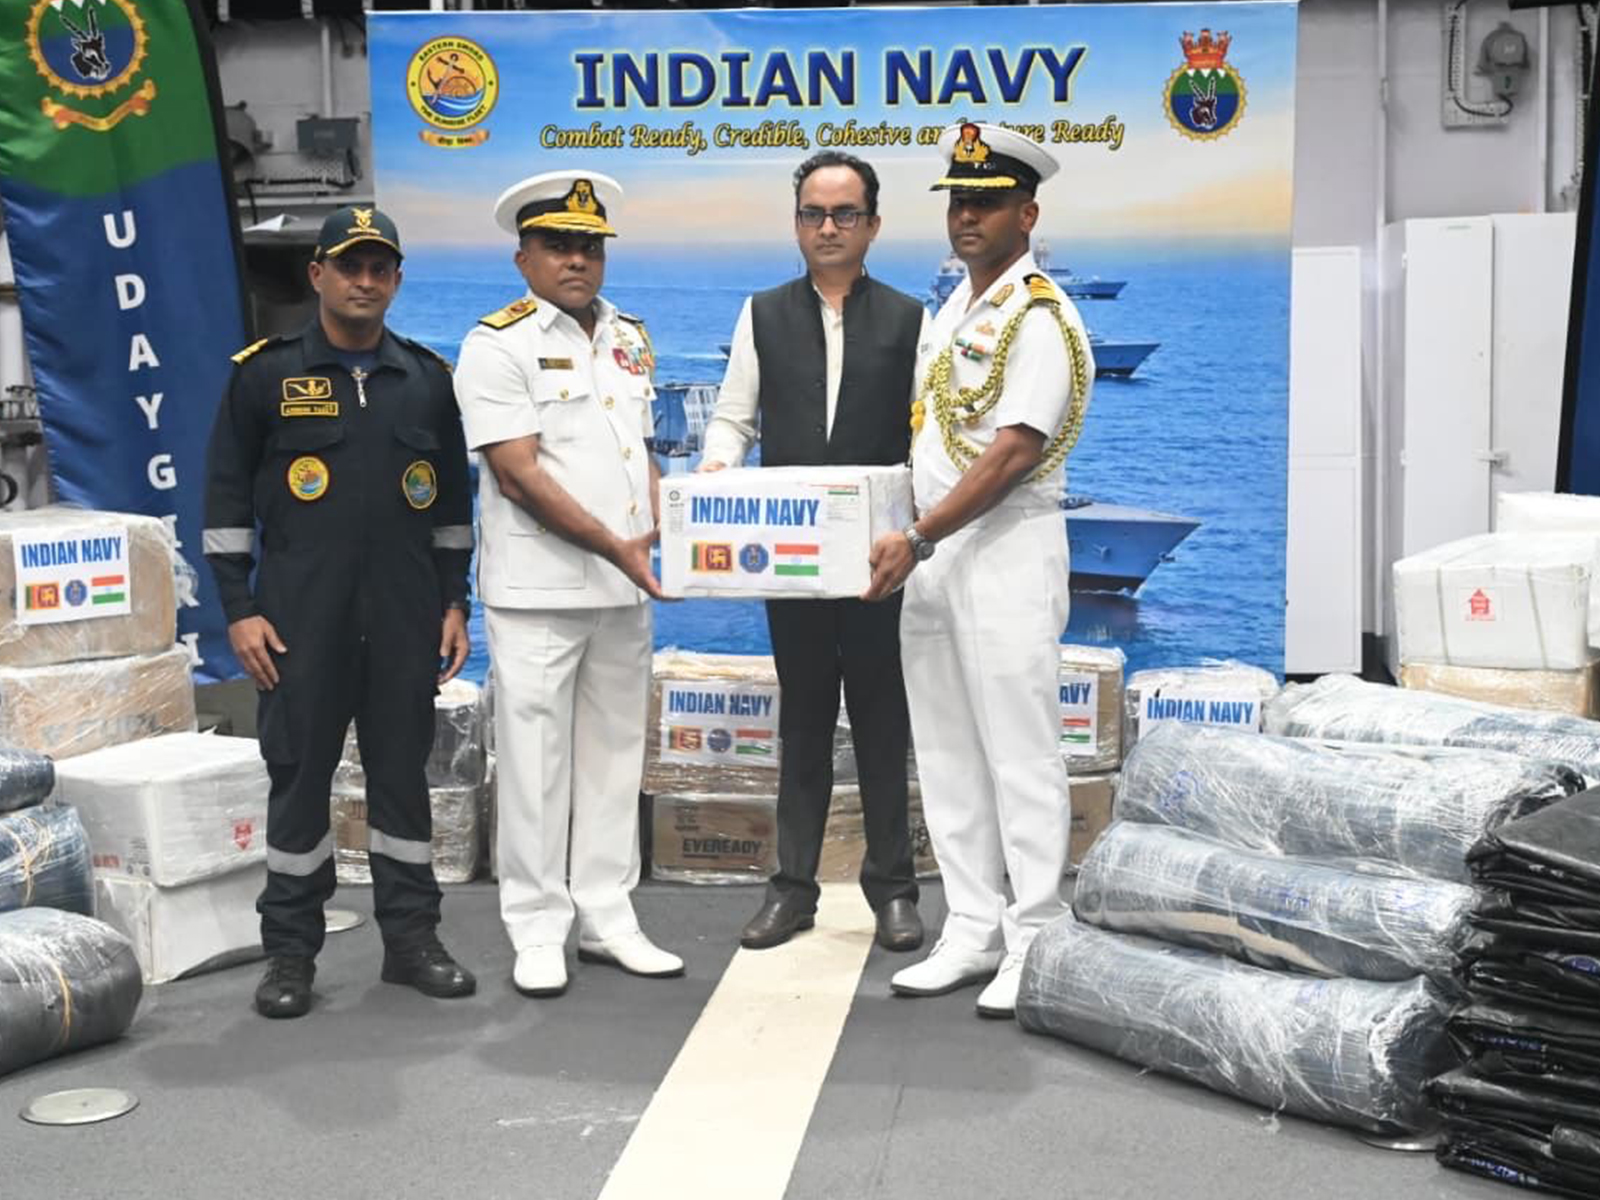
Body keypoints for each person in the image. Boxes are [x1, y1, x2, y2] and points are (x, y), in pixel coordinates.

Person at [203, 204, 477, 1019]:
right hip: (296, 625)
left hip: (403, 619)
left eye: (380, 267)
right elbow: (223, 502)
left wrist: (454, 599)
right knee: (298, 785)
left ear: (395, 279)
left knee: (403, 785)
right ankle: (290, 953)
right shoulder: (264, 374)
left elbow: (452, 507)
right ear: (316, 275)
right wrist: (239, 610)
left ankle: (412, 941)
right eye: (349, 265)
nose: (365, 280)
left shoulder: (425, 377)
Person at [863, 123, 1094, 1019]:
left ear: (1026, 213)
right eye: (959, 201)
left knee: (1020, 753)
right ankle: (972, 926)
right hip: (934, 554)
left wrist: (919, 536)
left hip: (1002, 551)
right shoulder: (955, 310)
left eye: (987, 202)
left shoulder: (1040, 315)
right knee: (950, 749)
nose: (967, 216)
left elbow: (1012, 455)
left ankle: (1034, 934)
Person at [453, 170, 682, 997]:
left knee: (616, 759)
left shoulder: (629, 335)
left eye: (589, 245)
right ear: (524, 257)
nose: (577, 259)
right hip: (540, 593)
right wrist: (620, 548)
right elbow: (517, 475)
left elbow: (640, 453)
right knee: (537, 765)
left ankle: (609, 916)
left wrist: (671, 539)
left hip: (625, 591)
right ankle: (537, 925)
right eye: (558, 245)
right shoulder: (496, 344)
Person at [701, 151, 926, 953]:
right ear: (796, 221)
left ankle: (894, 892)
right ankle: (791, 890)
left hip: (878, 561)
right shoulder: (761, 313)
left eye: (843, 213)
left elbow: (928, 437)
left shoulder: (910, 318)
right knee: (800, 721)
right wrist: (717, 473)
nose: (827, 227)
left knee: (879, 720)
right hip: (790, 554)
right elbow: (733, 417)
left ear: (871, 223)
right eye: (812, 213)